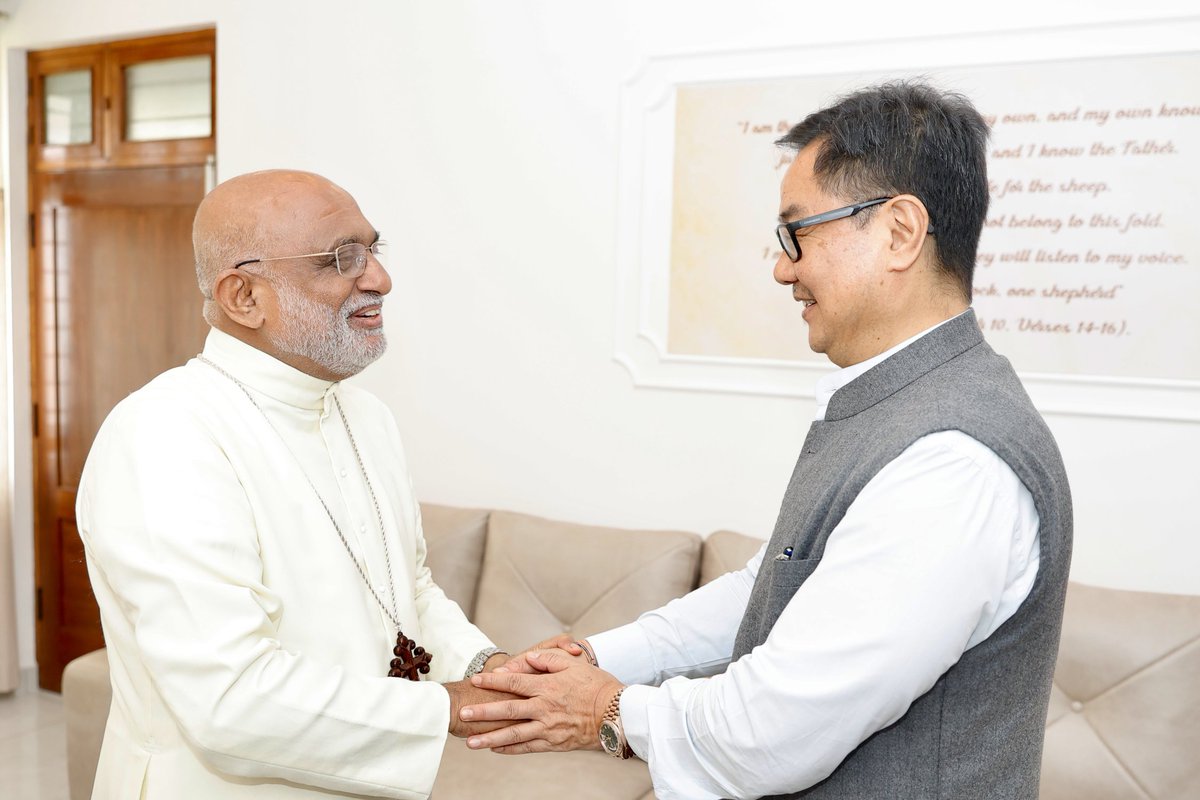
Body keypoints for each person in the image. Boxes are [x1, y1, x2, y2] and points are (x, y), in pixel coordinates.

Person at [460, 81, 1073, 799]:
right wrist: (597, 654)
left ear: (900, 231)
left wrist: (602, 709)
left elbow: (772, 734)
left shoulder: (952, 463)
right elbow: (771, 589)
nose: (784, 268)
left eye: (798, 233)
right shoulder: (895, 405)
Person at [76, 169, 514, 799]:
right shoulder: (164, 434)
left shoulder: (367, 417)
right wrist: (448, 705)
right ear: (244, 296)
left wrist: (490, 671)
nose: (380, 280)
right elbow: (228, 700)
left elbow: (407, 592)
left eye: (373, 250)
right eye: (341, 258)